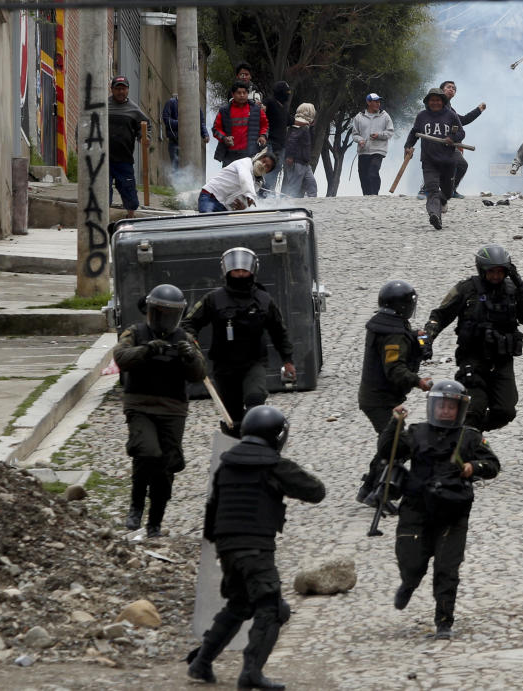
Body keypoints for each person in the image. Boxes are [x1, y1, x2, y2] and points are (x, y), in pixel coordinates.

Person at [186, 405, 325, 688]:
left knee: (239, 604)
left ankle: (202, 663)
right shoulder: (273, 465)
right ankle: (251, 672)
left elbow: (212, 510)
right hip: (256, 549)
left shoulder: (227, 463)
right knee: (272, 609)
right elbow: (315, 491)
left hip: (227, 548)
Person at [385, 380, 500, 640]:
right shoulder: (416, 432)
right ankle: (409, 583)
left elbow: (492, 464)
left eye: (451, 407)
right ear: (432, 407)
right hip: (416, 509)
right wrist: (395, 424)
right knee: (411, 561)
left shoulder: (469, 436)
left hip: (453, 512)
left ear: (459, 410)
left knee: (447, 569)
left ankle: (444, 620)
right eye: (442, 406)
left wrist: (473, 467)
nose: (446, 412)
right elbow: (388, 452)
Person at [113, 284, 205, 537]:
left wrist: (190, 357)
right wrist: (148, 349)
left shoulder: (184, 339)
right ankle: (136, 506)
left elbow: (200, 374)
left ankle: (155, 521)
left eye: (169, 314)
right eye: (159, 312)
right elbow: (121, 358)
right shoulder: (135, 332)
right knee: (147, 452)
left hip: (172, 408)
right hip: (140, 404)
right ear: (150, 311)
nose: (164, 319)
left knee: (167, 465)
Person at [423, 244, 523, 432]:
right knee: (474, 409)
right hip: (472, 358)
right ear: (482, 269)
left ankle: (470, 434)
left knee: (505, 411)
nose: (495, 276)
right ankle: (465, 442)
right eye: (491, 272)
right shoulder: (466, 289)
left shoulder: (512, 290)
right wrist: (427, 339)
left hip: (502, 360)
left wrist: (522, 287)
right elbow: (440, 315)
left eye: (500, 272)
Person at [182, 247, 296, 435]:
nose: (240, 274)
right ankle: (236, 446)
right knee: (232, 415)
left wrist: (288, 360)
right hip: (224, 366)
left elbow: (279, 331)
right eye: (236, 271)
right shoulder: (213, 299)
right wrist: (190, 340)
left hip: (253, 362)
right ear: (227, 271)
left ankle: (257, 439)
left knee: (255, 398)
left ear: (252, 271)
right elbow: (190, 322)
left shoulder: (264, 300)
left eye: (244, 270)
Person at [356, 279, 432, 504]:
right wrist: (419, 382)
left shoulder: (387, 323)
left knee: (391, 442)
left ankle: (369, 487)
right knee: (397, 445)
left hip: (379, 397)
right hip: (380, 400)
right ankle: (378, 493)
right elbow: (395, 369)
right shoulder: (393, 333)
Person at [403, 88, 465, 231]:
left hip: (448, 160)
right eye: (432, 100)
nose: (435, 103)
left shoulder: (451, 116)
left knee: (448, 192)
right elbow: (414, 133)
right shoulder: (422, 116)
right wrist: (408, 146)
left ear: (443, 101)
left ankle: (441, 202)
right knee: (432, 190)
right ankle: (434, 215)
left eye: (438, 100)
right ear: (427, 102)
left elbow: (461, 132)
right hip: (429, 160)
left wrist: (452, 138)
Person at [107, 75, 151, 219]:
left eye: (124, 89)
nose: (121, 92)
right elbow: (86, 121)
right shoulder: (103, 106)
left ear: (128, 90)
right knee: (102, 190)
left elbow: (144, 126)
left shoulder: (134, 110)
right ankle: (103, 218)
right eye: (118, 89)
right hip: (103, 158)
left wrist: (144, 137)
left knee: (128, 190)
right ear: (112, 89)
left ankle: (130, 216)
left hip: (124, 158)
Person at [212, 81, 269, 167]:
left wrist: (263, 136)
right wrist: (224, 138)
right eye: (239, 93)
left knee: (248, 180)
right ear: (233, 94)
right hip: (230, 155)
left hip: (250, 154)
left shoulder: (256, 110)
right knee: (229, 180)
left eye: (244, 93)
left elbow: (265, 125)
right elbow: (216, 129)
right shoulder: (224, 111)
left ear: (247, 93)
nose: (242, 95)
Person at [197, 152, 275, 213]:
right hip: (211, 196)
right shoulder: (245, 162)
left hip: (225, 207)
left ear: (268, 172)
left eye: (267, 166)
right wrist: (250, 195)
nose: (263, 165)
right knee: (207, 223)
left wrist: (243, 207)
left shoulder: (258, 184)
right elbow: (244, 178)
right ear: (259, 158)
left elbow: (245, 201)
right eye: (263, 161)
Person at [352, 93, 395, 196]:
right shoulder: (359, 117)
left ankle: (374, 195)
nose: (378, 104)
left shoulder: (385, 116)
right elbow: (355, 134)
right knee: (363, 175)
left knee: (373, 172)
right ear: (368, 102)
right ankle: (366, 196)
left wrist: (379, 135)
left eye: (379, 102)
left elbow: (390, 132)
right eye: (375, 102)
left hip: (378, 150)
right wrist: (360, 140)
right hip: (363, 151)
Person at [161, 93, 210, 171]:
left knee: (189, 167)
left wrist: (205, 134)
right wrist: (181, 123)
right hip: (174, 140)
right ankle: (176, 182)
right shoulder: (171, 102)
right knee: (175, 166)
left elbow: (201, 122)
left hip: (190, 142)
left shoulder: (195, 106)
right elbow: (166, 119)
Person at [261, 81, 292, 193]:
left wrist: (306, 122)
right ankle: (263, 192)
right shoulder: (270, 101)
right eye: (286, 92)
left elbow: (291, 120)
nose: (288, 94)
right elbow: (263, 107)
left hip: (281, 145)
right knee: (267, 166)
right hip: (269, 142)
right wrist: (262, 107)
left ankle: (269, 192)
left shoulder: (284, 108)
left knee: (277, 168)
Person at [282, 103, 318, 198]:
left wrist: (312, 127)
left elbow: (308, 140)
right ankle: (288, 207)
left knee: (312, 186)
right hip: (296, 162)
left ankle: (312, 206)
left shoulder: (305, 125)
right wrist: (290, 156)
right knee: (293, 189)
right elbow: (291, 140)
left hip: (304, 163)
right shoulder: (298, 124)